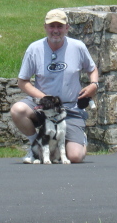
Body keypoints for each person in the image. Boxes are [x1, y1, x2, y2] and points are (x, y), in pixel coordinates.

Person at [10, 9, 99, 163]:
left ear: (67, 28)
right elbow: (22, 81)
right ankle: (34, 147)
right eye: (52, 26)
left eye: (59, 26)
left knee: (75, 157)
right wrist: (44, 98)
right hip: (43, 107)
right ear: (45, 27)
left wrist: (94, 84)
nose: (55, 30)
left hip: (69, 109)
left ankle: (80, 139)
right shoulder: (34, 49)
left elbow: (92, 69)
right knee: (18, 110)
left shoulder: (77, 47)